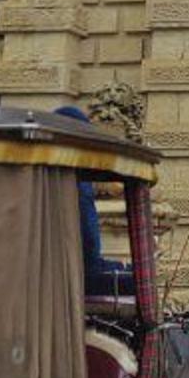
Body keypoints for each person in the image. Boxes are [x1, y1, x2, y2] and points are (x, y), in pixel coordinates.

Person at [55, 104, 134, 295]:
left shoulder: (52, 175)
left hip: (63, 273)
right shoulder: (78, 183)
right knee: (137, 281)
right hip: (78, 278)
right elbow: (88, 250)